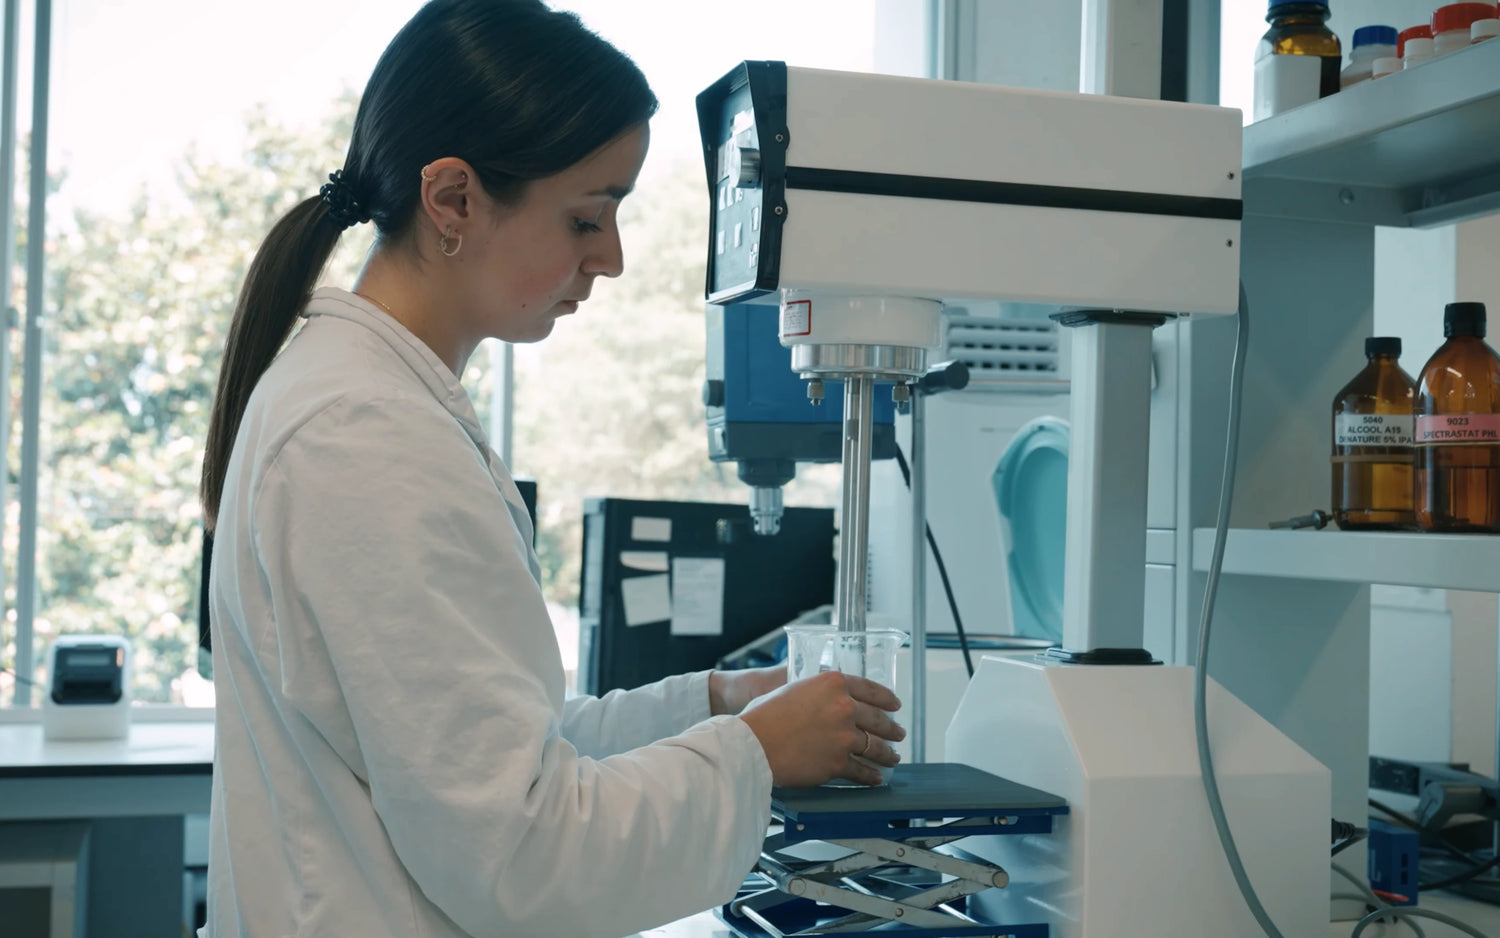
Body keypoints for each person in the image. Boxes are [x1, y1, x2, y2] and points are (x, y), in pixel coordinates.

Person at [196, 2, 906, 937]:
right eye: (586, 217)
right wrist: (752, 756)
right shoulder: (366, 436)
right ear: (452, 200)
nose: (610, 258)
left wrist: (713, 705)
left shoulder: (370, 404)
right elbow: (523, 854)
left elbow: (498, 757)